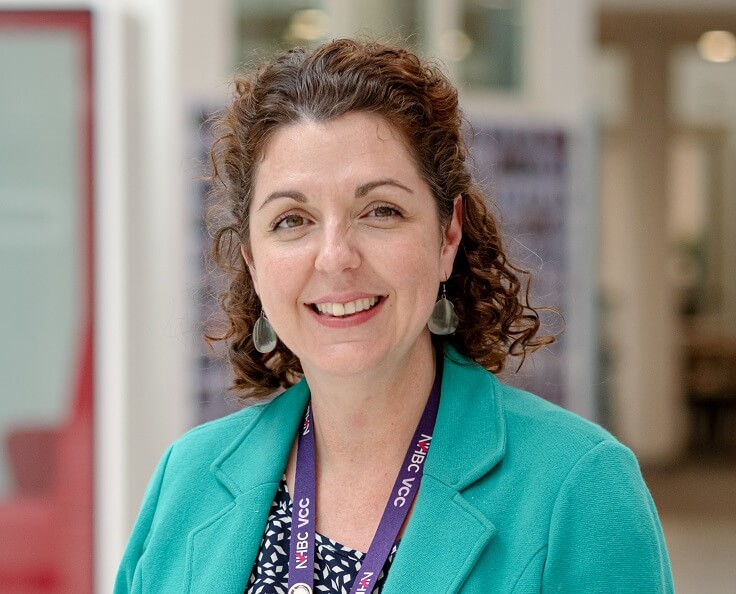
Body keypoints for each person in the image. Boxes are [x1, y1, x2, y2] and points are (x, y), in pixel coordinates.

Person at [115, 38, 673, 593]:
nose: (335, 256)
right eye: (292, 220)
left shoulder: (578, 487)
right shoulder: (186, 479)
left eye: (380, 210)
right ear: (252, 258)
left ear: (447, 233)